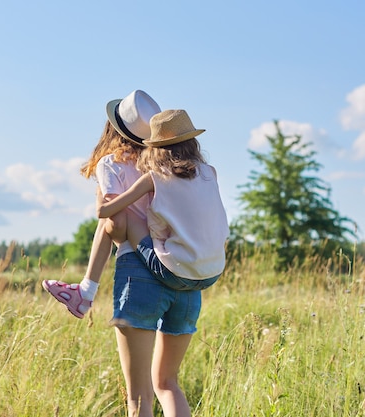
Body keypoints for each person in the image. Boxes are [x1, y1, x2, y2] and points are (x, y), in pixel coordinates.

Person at [95, 109, 230, 417]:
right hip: (200, 279)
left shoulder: (152, 178)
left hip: (162, 269)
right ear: (192, 143)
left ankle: (86, 289)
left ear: (154, 148)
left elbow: (106, 214)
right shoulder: (210, 173)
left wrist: (103, 189)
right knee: (168, 383)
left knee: (139, 398)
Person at [42, 89, 161, 318]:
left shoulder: (111, 163)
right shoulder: (157, 164)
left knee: (109, 217)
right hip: (162, 254)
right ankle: (85, 291)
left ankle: (86, 291)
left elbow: (111, 216)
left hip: (133, 255)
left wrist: (101, 198)